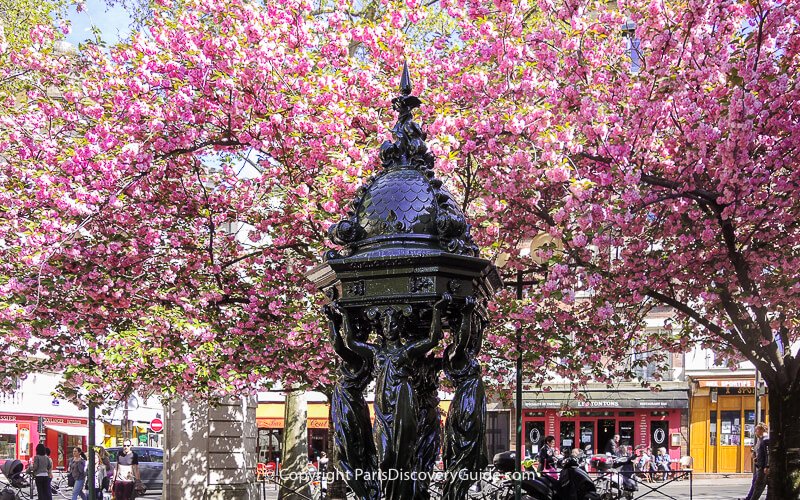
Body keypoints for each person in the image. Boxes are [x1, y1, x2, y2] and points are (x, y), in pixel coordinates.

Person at [742, 422, 769, 500]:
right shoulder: (760, 440)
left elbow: (767, 454)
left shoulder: (765, 440)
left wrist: (767, 466)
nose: (755, 432)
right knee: (756, 483)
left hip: (763, 468)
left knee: (758, 486)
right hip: (760, 467)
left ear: (761, 430)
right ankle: (749, 498)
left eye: (756, 430)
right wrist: (756, 457)